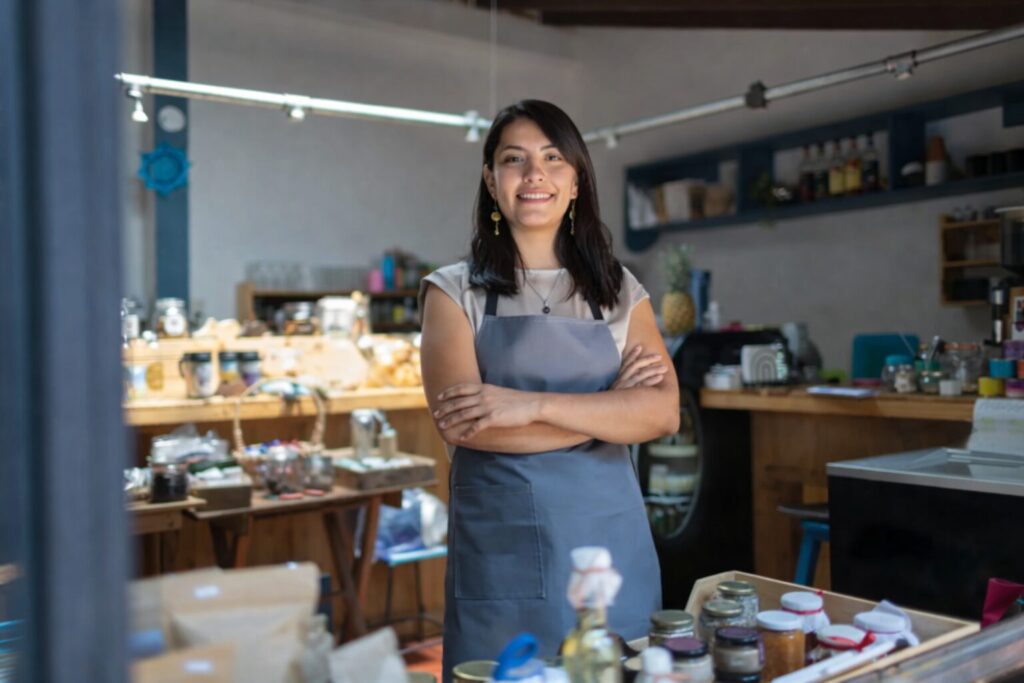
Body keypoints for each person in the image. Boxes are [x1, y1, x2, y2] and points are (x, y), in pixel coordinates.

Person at [418, 100, 680, 679]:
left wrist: (525, 404)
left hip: (610, 543)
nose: (534, 174)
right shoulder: (451, 292)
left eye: (553, 158)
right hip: (504, 550)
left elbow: (661, 414)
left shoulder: (619, 291)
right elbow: (467, 425)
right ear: (491, 180)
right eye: (514, 159)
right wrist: (609, 409)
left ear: (576, 180)